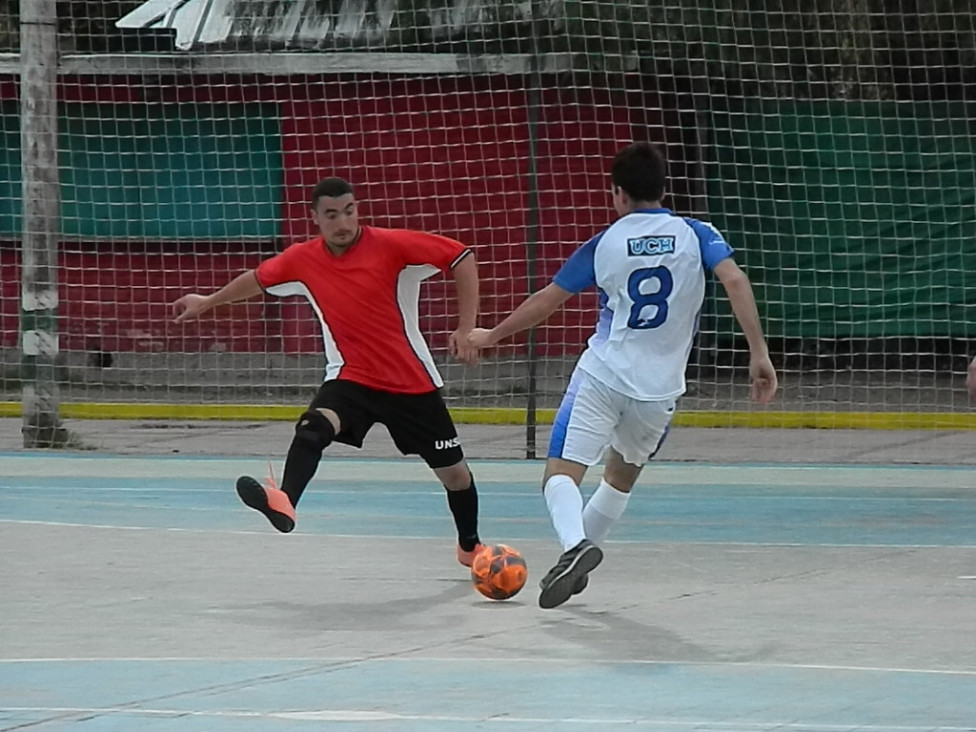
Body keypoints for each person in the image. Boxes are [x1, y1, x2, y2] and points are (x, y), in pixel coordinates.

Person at [468, 143, 779, 608]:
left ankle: (576, 547)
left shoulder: (606, 242)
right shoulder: (697, 233)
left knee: (560, 476)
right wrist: (758, 353)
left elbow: (547, 301)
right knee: (619, 479)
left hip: (604, 375)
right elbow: (735, 280)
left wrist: (492, 335)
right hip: (660, 390)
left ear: (617, 194)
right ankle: (577, 554)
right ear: (663, 187)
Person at [172, 177, 486, 567]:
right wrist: (208, 302)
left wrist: (466, 327)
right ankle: (284, 501)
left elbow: (461, 256)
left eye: (349, 211)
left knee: (455, 477)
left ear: (358, 209)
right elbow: (255, 280)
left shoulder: (392, 246)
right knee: (313, 426)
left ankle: (470, 547)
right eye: (332, 215)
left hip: (410, 385)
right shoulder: (302, 258)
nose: (343, 222)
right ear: (315, 219)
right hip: (352, 378)